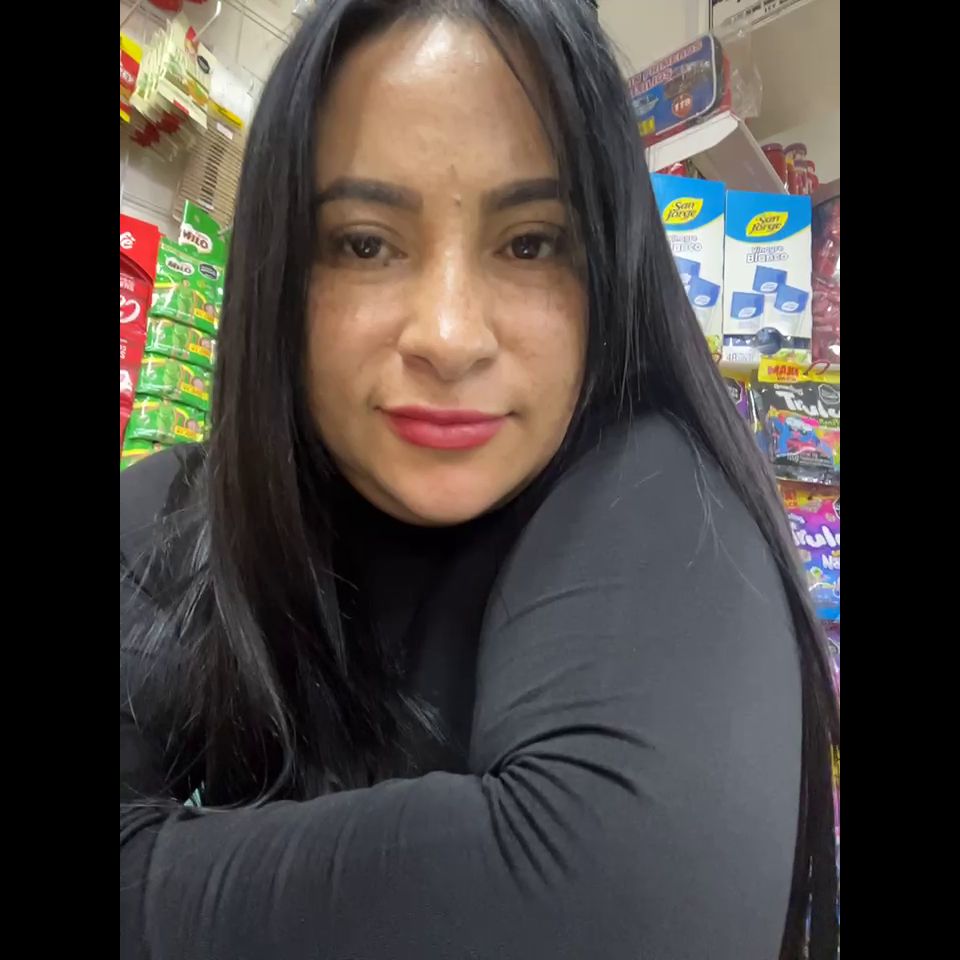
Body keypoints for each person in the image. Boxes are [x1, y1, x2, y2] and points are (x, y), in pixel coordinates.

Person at [120, 2, 840, 958]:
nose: (450, 335)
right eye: (365, 243)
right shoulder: (175, 511)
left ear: (610, 270)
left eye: (530, 243)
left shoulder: (665, 503)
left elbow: (606, 905)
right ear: (280, 271)